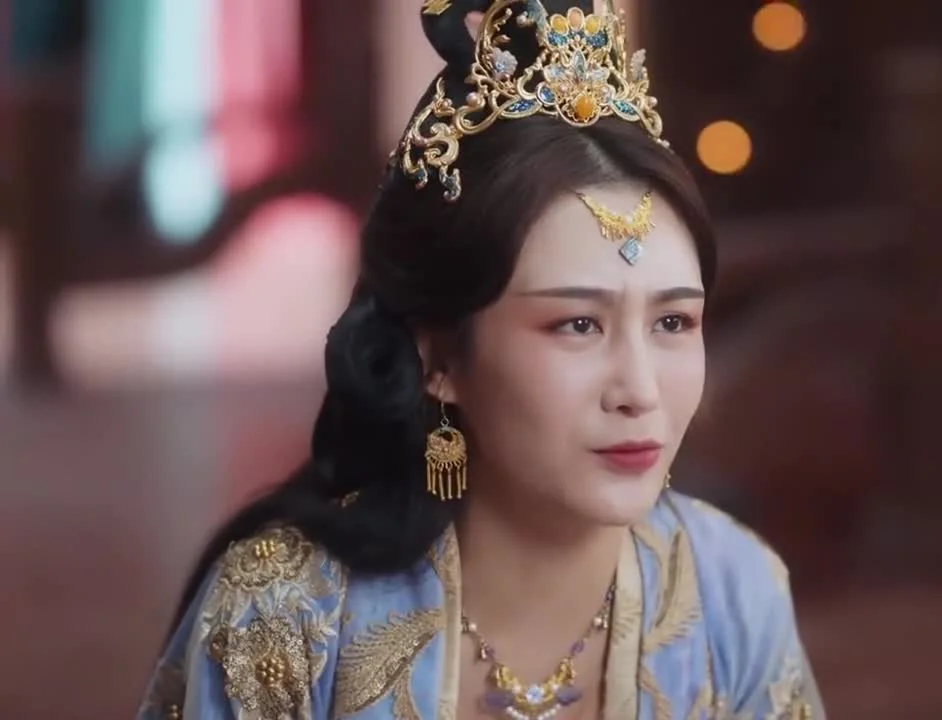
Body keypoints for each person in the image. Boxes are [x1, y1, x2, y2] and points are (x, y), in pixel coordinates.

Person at [137, 1, 825, 718]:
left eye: (673, 322)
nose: (640, 390)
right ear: (438, 355)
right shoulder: (285, 615)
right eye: (579, 324)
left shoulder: (734, 595)